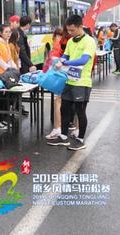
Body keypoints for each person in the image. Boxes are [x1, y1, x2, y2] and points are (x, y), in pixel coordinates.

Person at [46, 15, 97, 151]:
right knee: (65, 109)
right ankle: (63, 136)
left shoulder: (89, 41)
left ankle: (80, 139)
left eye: (72, 30)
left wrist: (65, 62)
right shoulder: (70, 41)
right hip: (69, 80)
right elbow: (65, 56)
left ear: (80, 27)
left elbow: (84, 60)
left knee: (80, 111)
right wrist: (58, 61)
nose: (70, 33)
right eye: (68, 30)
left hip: (82, 82)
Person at [0, 24, 16, 130]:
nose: (8, 34)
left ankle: (3, 119)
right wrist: (9, 69)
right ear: (0, 33)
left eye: (9, 32)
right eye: (6, 32)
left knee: (5, 97)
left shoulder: (5, 42)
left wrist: (15, 69)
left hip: (6, 74)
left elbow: (9, 59)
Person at [44, 27, 66, 140]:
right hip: (67, 76)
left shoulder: (58, 46)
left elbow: (52, 61)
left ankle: (58, 128)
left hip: (60, 76)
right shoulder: (66, 43)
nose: (58, 38)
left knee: (58, 101)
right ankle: (70, 127)